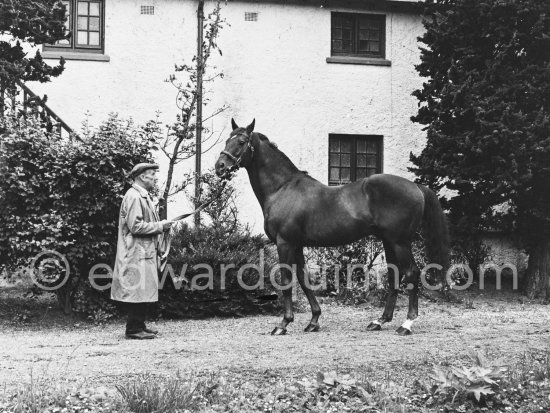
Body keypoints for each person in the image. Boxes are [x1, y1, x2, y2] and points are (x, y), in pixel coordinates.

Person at [111, 163, 173, 339]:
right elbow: (136, 226)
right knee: (137, 289)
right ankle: (133, 329)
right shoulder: (135, 197)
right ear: (142, 177)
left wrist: (160, 226)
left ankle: (139, 325)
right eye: (152, 174)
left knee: (142, 288)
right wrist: (160, 226)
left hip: (141, 251)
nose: (155, 178)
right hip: (135, 251)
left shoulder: (140, 196)